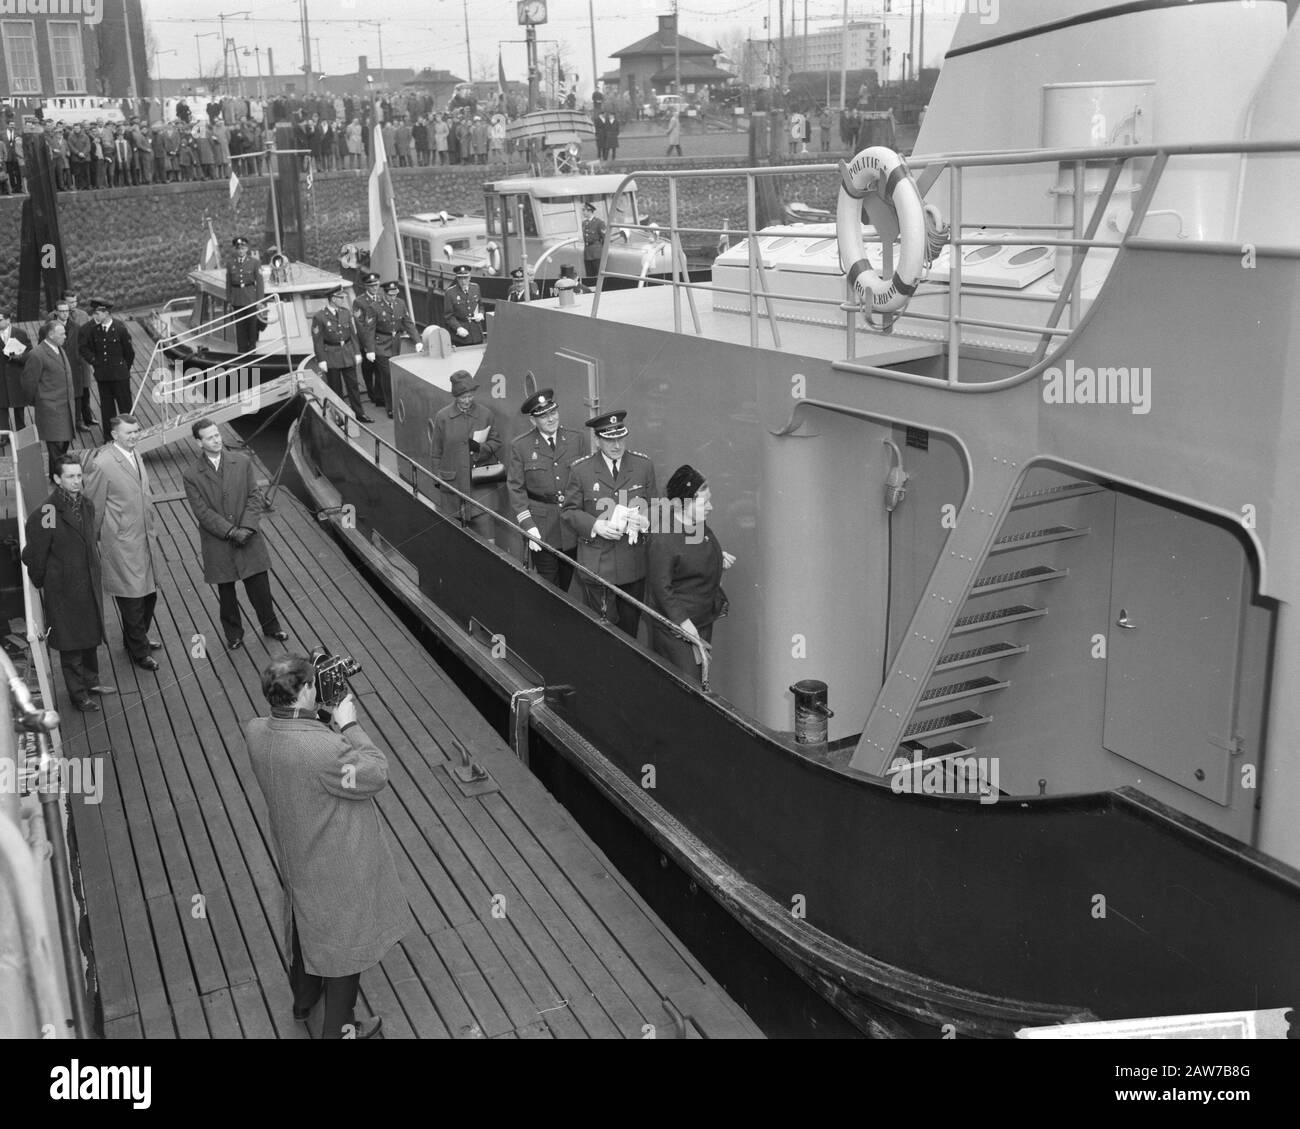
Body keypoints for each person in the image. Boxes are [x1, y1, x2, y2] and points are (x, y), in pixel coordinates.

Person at [244, 655, 409, 1039]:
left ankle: (304, 1002)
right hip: (334, 861)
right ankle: (340, 1030)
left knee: (303, 927)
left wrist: (320, 715)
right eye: (312, 685)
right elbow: (375, 774)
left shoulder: (256, 730)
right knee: (343, 947)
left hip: (295, 850)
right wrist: (348, 723)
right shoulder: (321, 752)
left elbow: (301, 735)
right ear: (303, 692)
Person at [182, 419, 289, 651]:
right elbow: (202, 512)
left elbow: (254, 495)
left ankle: (271, 627)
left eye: (217, 435)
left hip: (248, 535)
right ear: (199, 442)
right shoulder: (192, 475)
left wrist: (247, 528)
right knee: (227, 593)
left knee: (260, 588)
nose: (217, 439)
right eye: (210, 437)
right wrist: (231, 532)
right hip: (219, 541)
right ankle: (233, 634)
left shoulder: (242, 462)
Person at [21, 454, 113, 712]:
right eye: (70, 476)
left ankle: (91, 681)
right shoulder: (49, 512)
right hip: (63, 589)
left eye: (78, 475)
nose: (76, 481)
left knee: (90, 635)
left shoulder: (85, 504)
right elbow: (35, 554)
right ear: (57, 479)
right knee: (71, 643)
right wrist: (47, 582)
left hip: (87, 584)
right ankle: (78, 694)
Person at [562, 410, 657, 638]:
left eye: (620, 438)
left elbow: (656, 506)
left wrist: (645, 520)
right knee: (604, 631)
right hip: (598, 564)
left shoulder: (643, 466)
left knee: (630, 630)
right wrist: (596, 526)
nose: (616, 445)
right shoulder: (581, 470)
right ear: (596, 440)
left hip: (632, 563)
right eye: (609, 439)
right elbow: (569, 511)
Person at [80, 415, 162, 672]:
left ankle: (135, 638)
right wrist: (94, 543)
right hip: (122, 542)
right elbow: (93, 505)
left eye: (137, 431)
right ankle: (139, 651)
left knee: (149, 594)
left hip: (145, 538)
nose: (135, 436)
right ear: (115, 435)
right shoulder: (102, 463)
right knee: (132, 598)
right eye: (129, 433)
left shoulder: (134, 454)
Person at [647, 464, 735, 682]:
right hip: (679, 631)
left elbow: (694, 551)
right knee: (688, 685)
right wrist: (684, 624)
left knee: (699, 680)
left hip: (701, 622)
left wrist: (716, 557)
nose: (710, 507)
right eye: (704, 502)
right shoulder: (663, 538)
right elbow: (661, 588)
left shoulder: (698, 526)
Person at [507, 387, 580, 592]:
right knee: (550, 586)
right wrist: (528, 525)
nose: (550, 419)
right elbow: (515, 488)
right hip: (541, 529)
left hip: (570, 525)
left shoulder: (576, 440)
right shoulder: (521, 446)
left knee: (566, 582)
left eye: (553, 413)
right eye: (543, 416)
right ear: (533, 421)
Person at [430, 370, 502, 540]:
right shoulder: (443, 417)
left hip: (482, 487)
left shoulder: (486, 414)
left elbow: (496, 442)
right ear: (455, 396)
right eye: (463, 397)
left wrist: (480, 449)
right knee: (454, 539)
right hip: (453, 487)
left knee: (488, 540)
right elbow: (436, 452)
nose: (467, 400)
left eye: (470, 396)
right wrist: (437, 480)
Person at [358, 280, 422, 419]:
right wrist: (370, 349)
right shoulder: (374, 307)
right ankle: (391, 407)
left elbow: (408, 323)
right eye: (390, 295)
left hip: (395, 343)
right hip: (381, 344)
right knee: (387, 376)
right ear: (384, 294)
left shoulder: (400, 303)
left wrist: (417, 340)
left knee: (394, 373)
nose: (393, 298)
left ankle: (395, 401)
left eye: (395, 295)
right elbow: (369, 330)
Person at [21, 319, 78, 466]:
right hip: (50, 409)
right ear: (51, 335)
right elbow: (28, 383)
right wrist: (40, 402)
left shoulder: (59, 349)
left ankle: (58, 475)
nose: (65, 336)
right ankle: (57, 479)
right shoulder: (37, 354)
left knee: (64, 444)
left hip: (66, 407)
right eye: (62, 334)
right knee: (56, 447)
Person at [310, 286, 372, 421]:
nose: (343, 299)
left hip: (347, 354)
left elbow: (353, 335)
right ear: (333, 299)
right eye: (340, 297)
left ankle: (359, 414)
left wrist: (356, 352)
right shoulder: (319, 316)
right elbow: (318, 341)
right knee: (335, 389)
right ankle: (340, 416)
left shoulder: (346, 313)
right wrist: (322, 360)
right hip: (331, 356)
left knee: (353, 386)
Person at [78, 298, 135, 444]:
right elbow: (84, 348)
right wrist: (94, 361)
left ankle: (129, 433)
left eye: (98, 313)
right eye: (94, 313)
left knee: (125, 407)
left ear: (106, 313)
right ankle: (109, 438)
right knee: (107, 409)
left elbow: (129, 353)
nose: (95, 316)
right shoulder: (94, 330)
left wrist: (123, 368)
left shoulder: (120, 328)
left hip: (120, 375)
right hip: (103, 376)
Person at [62, 291, 98, 430]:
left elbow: (90, 333)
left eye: (75, 302)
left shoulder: (83, 315)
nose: (73, 305)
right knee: (74, 391)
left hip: (82, 358)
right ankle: (76, 420)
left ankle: (87, 417)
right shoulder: (54, 316)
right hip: (68, 358)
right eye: (70, 302)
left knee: (85, 389)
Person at [225, 236, 265, 356]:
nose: (240, 251)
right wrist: (229, 300)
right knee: (240, 327)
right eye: (238, 249)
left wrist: (259, 301)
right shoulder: (230, 263)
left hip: (250, 299)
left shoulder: (254, 263)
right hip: (237, 299)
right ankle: (241, 351)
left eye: (243, 248)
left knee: (252, 326)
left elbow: (260, 283)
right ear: (235, 250)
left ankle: (252, 350)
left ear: (247, 249)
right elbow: (228, 284)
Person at [351, 271, 385, 406]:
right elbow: (360, 324)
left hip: (381, 340)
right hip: (366, 341)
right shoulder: (359, 302)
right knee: (368, 369)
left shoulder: (382, 298)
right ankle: (371, 393)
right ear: (366, 286)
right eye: (371, 286)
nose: (374, 288)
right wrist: (367, 344)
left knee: (380, 369)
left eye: (376, 285)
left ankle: (379, 395)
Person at [0, 307, 31, 435]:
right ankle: (3, 436)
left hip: (17, 376)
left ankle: (21, 434)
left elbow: (30, 353)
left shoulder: (20, 333)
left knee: (19, 408)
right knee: (1, 408)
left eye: (0, 319)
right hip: (1, 377)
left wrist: (18, 357)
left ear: (8, 320)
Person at [444, 263, 485, 346]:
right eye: (460, 278)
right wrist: (458, 328)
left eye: (465, 278)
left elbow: (480, 305)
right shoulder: (450, 293)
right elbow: (448, 316)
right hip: (461, 337)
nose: (463, 281)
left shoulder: (475, 288)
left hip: (477, 334)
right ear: (457, 279)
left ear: (470, 277)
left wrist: (481, 313)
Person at [581, 202, 606, 286]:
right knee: (589, 276)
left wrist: (601, 250)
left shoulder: (599, 223)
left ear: (589, 211)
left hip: (596, 253)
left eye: (584, 210)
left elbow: (605, 238)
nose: (583, 212)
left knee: (598, 274)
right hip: (587, 253)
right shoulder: (584, 223)